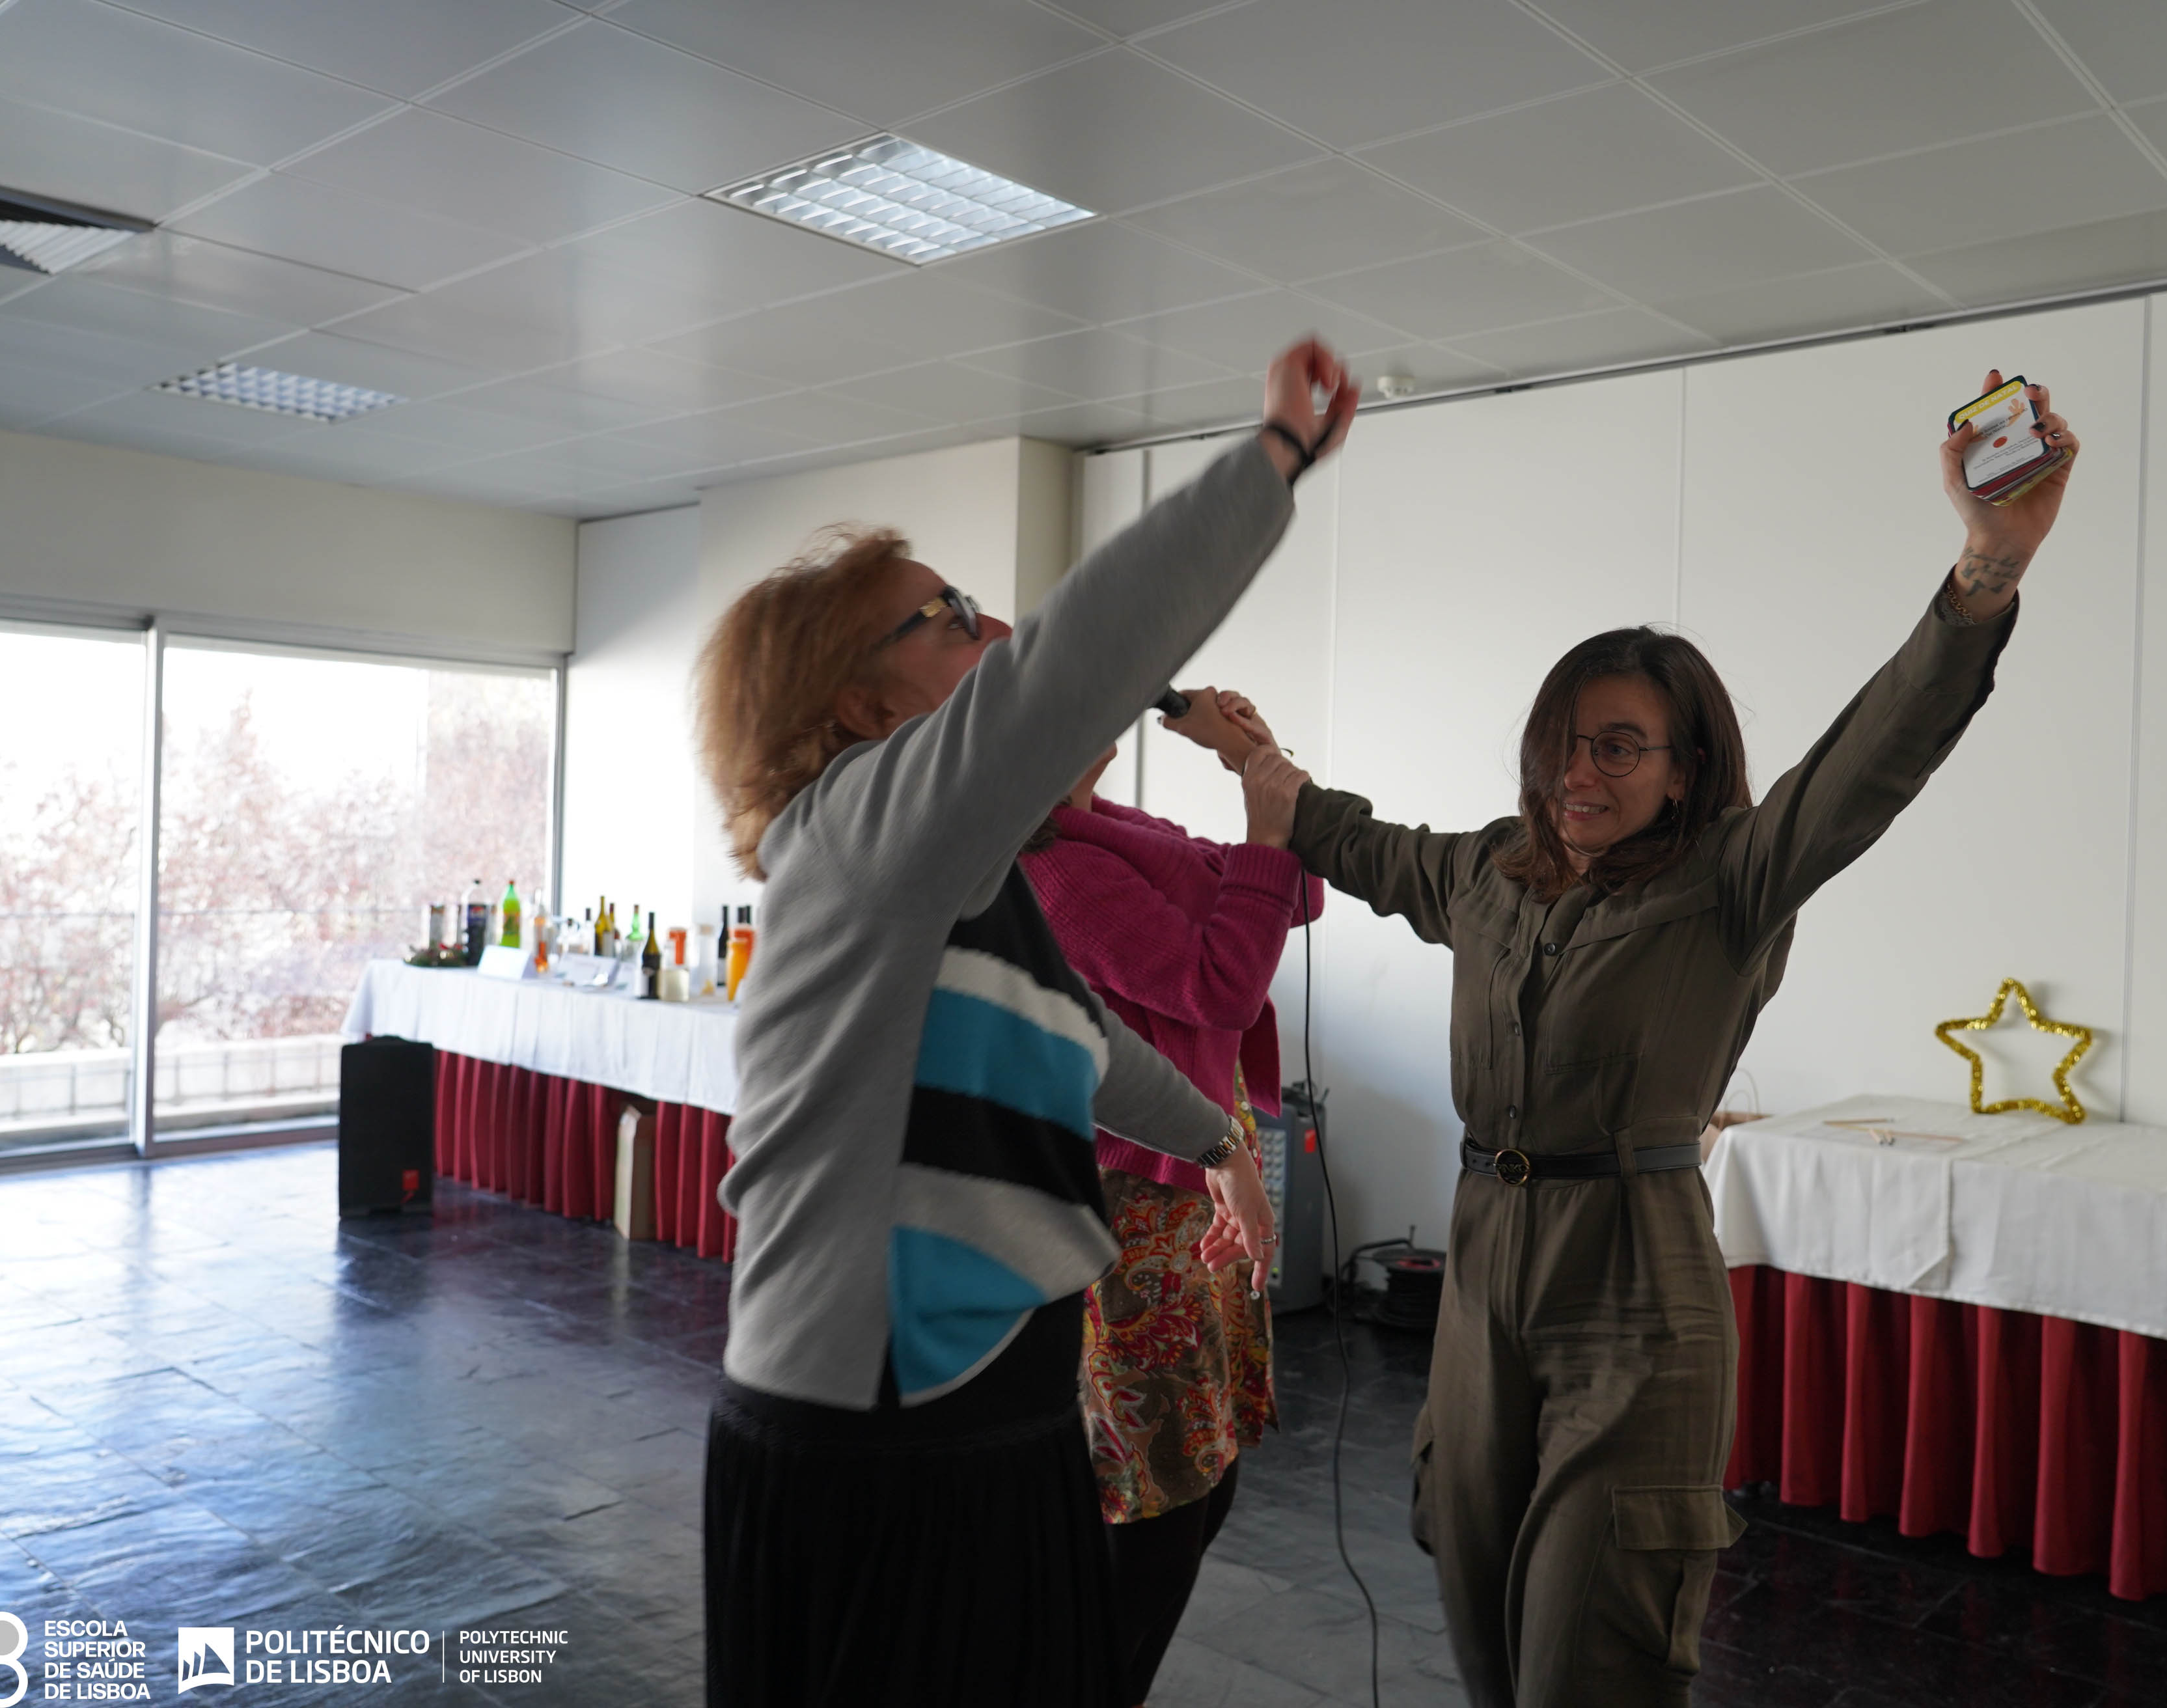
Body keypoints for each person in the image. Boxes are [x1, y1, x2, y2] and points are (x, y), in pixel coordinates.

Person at [1239, 373, 2081, 1707]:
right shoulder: (1491, 874)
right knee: (1481, 1610)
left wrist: (1987, 568)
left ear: (1685, 769)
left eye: (1621, 749)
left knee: (1596, 1645)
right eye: (1564, 745)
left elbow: (1872, 757)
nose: (1579, 774)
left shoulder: (1735, 878)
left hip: (1636, 1280)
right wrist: (1262, 769)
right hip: (1482, 1269)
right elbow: (1363, 844)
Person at [691, 338, 1359, 1707]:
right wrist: (1271, 460)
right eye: (946, 617)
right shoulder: (862, 826)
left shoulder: (958, 879)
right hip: (876, 1433)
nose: (992, 630)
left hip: (991, 1423)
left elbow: (1079, 1041)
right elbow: (1076, 657)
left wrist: (1218, 1144)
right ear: (860, 705)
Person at [1019, 699, 1325, 1708]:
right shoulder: (1057, 868)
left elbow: (1291, 897)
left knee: (1203, 1476)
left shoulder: (1115, 827)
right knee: (1156, 1497)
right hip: (1135, 1193)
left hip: (1193, 1172)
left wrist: (1261, 767)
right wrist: (1265, 831)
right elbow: (1220, 986)